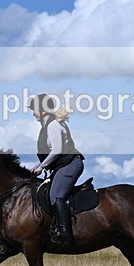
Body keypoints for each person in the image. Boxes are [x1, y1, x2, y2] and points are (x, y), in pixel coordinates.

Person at [29, 94, 84, 246]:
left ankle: (65, 235)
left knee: (56, 195)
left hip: (70, 164)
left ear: (43, 110)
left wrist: (41, 167)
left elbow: (57, 150)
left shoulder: (53, 125)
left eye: (35, 110)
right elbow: (49, 153)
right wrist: (36, 166)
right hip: (64, 164)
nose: (33, 114)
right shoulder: (47, 126)